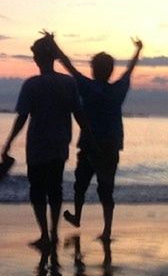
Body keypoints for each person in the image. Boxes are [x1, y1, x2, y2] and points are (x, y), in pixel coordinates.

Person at [1, 32, 88, 248]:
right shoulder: (68, 83)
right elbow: (79, 114)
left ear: (38, 59)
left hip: (38, 145)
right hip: (60, 144)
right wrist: (90, 137)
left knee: (37, 189)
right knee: (55, 188)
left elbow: (22, 117)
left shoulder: (31, 85)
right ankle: (53, 232)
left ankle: (44, 235)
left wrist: (9, 143)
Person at [53, 37, 143, 241]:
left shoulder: (88, 87)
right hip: (110, 146)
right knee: (106, 189)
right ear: (110, 70)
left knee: (80, 185)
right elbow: (129, 70)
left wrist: (54, 43)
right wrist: (138, 50)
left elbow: (68, 66)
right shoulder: (118, 90)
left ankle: (77, 216)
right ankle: (107, 229)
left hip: (90, 145)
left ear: (94, 69)